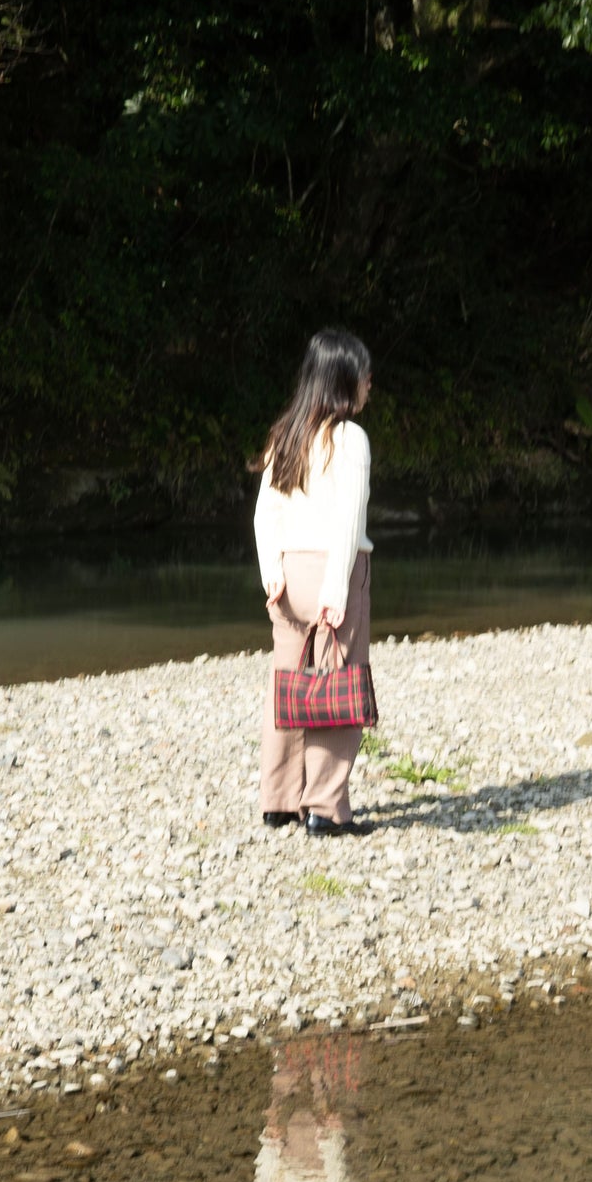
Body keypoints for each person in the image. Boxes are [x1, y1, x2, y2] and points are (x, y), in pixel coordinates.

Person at [251, 328, 374, 835]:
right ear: (346, 382)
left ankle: (278, 800)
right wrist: (337, 591)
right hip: (331, 571)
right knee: (335, 688)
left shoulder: (286, 434)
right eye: (366, 376)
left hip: (287, 575)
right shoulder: (350, 438)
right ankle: (325, 807)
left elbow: (265, 512)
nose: (371, 385)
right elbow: (347, 520)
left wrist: (271, 574)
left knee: (289, 687)